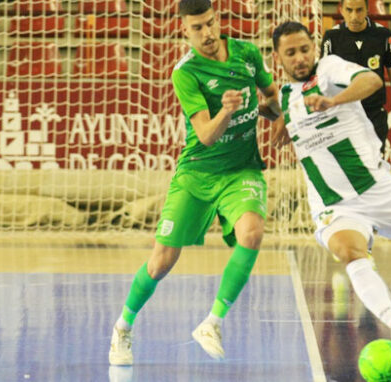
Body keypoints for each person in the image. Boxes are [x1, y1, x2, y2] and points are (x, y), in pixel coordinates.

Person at [108, 0, 281, 365]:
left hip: (241, 170)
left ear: (217, 20)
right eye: (197, 28)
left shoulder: (247, 53)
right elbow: (204, 134)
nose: (207, 33)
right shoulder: (185, 72)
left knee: (252, 232)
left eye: (210, 23)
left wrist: (280, 117)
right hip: (197, 173)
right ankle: (122, 328)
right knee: (161, 262)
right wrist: (227, 110)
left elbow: (272, 95)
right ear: (184, 31)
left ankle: (212, 322)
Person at [271, 21, 391, 353]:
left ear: (314, 47)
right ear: (278, 58)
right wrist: (280, 121)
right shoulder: (285, 96)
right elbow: (275, 107)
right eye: (291, 53)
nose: (300, 58)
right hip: (334, 204)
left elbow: (371, 79)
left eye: (304, 49)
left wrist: (335, 101)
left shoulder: (328, 69)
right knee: (350, 254)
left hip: (378, 191)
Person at [321, 0, 391, 153]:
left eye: (359, 10)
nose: (354, 16)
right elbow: (322, 80)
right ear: (341, 10)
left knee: (375, 170)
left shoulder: (383, 35)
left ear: (368, 10)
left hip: (374, 116)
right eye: (349, 10)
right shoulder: (331, 37)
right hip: (342, 116)